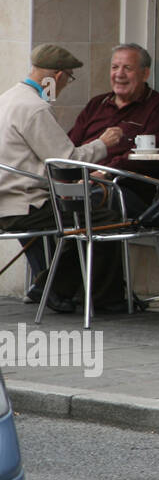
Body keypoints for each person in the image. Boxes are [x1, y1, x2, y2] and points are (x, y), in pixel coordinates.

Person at [0, 44, 124, 310]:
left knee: (82, 214)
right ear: (58, 77)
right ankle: (95, 297)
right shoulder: (34, 108)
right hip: (23, 204)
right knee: (105, 219)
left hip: (8, 199)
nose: (66, 84)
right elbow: (67, 162)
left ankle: (50, 285)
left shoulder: (7, 99)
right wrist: (104, 142)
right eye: (69, 78)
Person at [66, 43, 159, 216]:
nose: (119, 74)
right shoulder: (97, 104)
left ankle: (75, 243)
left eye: (128, 68)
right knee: (36, 204)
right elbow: (70, 145)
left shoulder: (158, 107)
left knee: (88, 203)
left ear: (145, 73)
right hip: (81, 183)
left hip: (124, 189)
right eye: (115, 67)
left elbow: (147, 158)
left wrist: (104, 173)